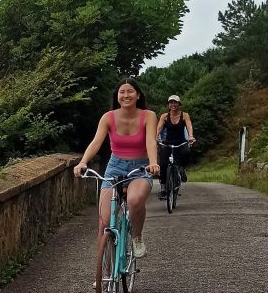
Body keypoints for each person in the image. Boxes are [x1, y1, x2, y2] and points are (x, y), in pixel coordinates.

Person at [73, 77, 160, 258]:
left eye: (130, 91)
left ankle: (136, 236)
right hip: (115, 167)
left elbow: (151, 141)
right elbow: (96, 142)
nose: (126, 95)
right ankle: (104, 273)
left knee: (134, 200)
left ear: (138, 95)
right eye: (122, 92)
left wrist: (153, 162)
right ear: (117, 96)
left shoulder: (148, 116)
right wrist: (83, 161)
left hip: (141, 167)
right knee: (105, 221)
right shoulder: (108, 117)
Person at [156, 94, 196, 199]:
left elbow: (189, 126)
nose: (173, 104)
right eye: (171, 102)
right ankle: (163, 189)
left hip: (181, 142)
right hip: (168, 143)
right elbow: (159, 128)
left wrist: (191, 136)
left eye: (175, 102)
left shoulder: (185, 115)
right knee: (163, 164)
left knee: (186, 152)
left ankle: (182, 168)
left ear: (179, 104)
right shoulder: (164, 116)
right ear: (168, 104)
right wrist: (155, 137)